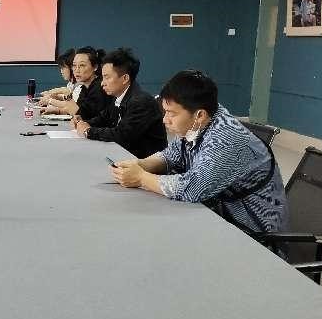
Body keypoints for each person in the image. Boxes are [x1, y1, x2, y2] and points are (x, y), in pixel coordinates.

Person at [109, 70, 288, 234]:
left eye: (171, 113)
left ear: (199, 115)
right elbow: (171, 155)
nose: (165, 120)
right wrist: (140, 164)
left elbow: (193, 188)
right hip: (215, 213)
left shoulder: (226, 138)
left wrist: (141, 178)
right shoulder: (199, 120)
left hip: (251, 232)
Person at [74, 48, 166, 158]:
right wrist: (82, 122)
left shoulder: (141, 102)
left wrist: (88, 131)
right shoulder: (118, 97)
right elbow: (103, 118)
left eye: (107, 77)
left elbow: (121, 135)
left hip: (144, 163)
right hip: (125, 157)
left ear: (125, 78)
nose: (102, 83)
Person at [43, 46, 113, 119]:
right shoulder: (84, 87)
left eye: (82, 65)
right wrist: (57, 111)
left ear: (95, 67)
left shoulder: (99, 87)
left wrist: (67, 94)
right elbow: (79, 109)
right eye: (74, 65)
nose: (77, 70)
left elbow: (81, 116)